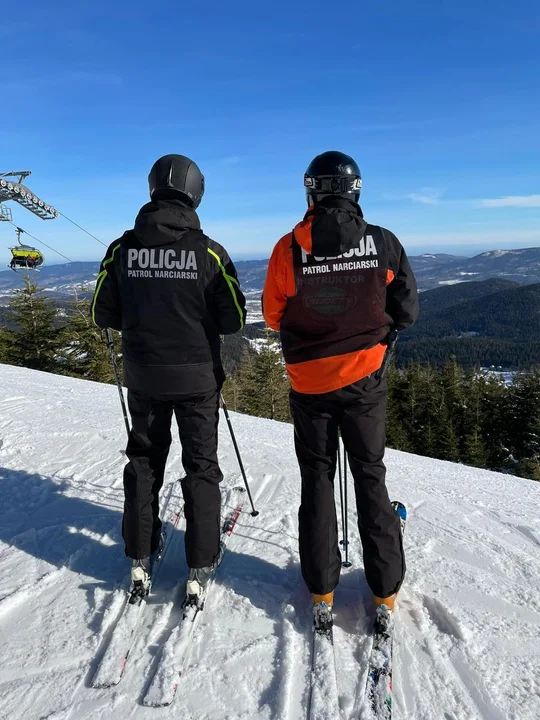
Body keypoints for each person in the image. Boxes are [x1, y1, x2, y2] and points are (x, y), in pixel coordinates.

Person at [262, 151, 419, 621]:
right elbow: (406, 311)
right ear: (356, 190)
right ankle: (384, 591)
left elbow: (272, 316)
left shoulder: (288, 248)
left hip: (309, 386)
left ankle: (321, 589)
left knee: (317, 477)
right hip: (365, 380)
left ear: (311, 191)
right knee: (369, 473)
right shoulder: (383, 243)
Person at [91, 154, 246, 601]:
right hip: (197, 379)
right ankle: (201, 559)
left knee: (143, 460)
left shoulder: (122, 249)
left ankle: (139, 551)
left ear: (153, 189)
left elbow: (103, 311)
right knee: (201, 466)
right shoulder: (210, 251)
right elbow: (233, 318)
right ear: (195, 193)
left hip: (143, 375)